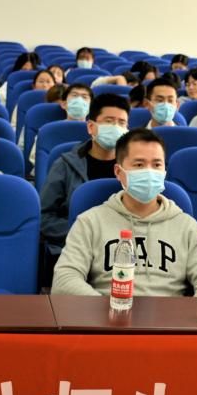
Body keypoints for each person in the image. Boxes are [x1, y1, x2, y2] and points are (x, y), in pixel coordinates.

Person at [52, 128, 197, 296]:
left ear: (164, 171)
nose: (149, 171)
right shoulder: (90, 222)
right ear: (119, 172)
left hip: (169, 313)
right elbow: (64, 281)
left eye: (156, 164)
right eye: (139, 164)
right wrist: (108, 308)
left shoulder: (187, 227)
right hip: (107, 310)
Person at [39, 94, 131, 276]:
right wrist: (84, 235)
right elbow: (44, 216)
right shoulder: (65, 165)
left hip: (125, 253)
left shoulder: (134, 169)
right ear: (91, 126)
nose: (116, 127)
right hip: (75, 251)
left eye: (121, 123)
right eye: (109, 121)